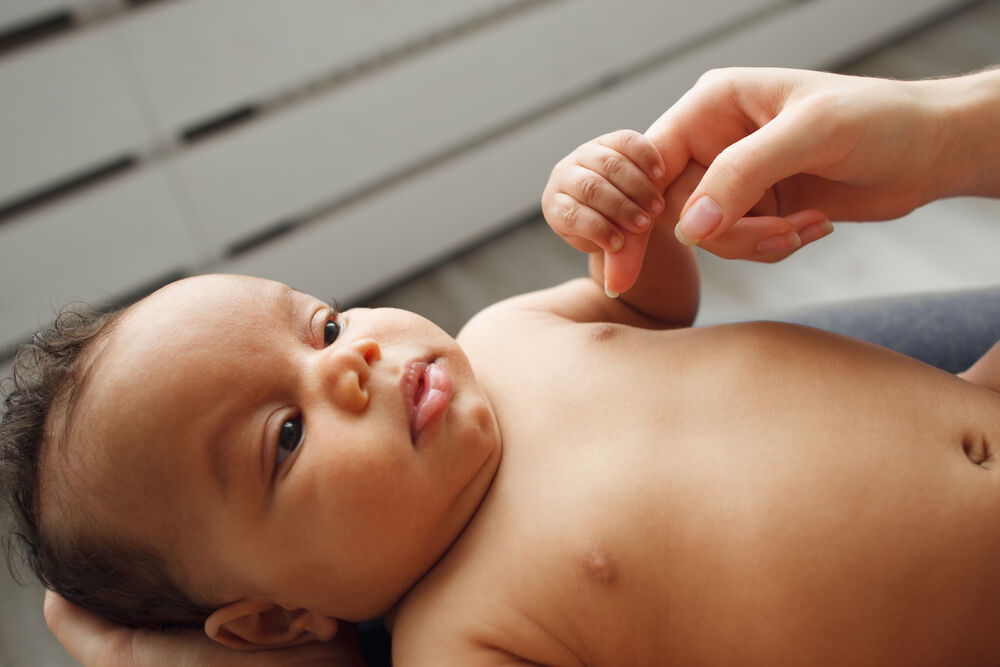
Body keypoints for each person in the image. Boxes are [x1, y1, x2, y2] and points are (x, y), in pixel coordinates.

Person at [6, 66, 1000, 666]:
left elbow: (654, 307)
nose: (350, 364)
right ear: (273, 620)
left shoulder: (505, 336)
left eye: (319, 325)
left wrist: (623, 221)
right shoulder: (464, 635)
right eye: (287, 436)